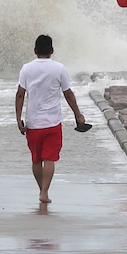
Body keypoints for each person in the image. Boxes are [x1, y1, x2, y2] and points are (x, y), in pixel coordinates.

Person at [15, 34, 87, 203]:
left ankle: (42, 190)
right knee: (50, 158)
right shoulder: (59, 68)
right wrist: (78, 114)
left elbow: (20, 94)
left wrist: (18, 119)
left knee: (36, 159)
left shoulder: (26, 68)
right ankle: (45, 192)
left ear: (35, 50)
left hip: (33, 123)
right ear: (52, 51)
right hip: (53, 123)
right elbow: (68, 94)